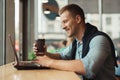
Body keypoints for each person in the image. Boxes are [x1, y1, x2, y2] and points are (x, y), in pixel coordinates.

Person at [33, 4, 117, 80]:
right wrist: (45, 53)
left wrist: (49, 62)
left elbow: (87, 68)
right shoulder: (77, 43)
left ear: (78, 19)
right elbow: (61, 56)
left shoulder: (99, 40)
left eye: (65, 21)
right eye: (61, 23)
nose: (63, 27)